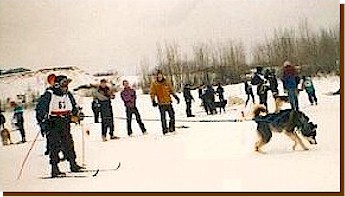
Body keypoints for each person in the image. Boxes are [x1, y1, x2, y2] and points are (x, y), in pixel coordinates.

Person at [35, 75, 84, 177]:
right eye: (63, 84)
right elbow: (40, 108)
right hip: (53, 122)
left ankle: (73, 164)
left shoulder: (68, 94)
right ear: (57, 85)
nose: (66, 86)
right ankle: (55, 168)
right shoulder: (50, 94)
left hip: (65, 121)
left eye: (67, 84)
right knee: (54, 146)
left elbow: (73, 106)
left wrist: (77, 114)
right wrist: (42, 121)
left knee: (68, 143)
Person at [150, 70, 180, 135]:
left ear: (162, 75)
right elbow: (152, 93)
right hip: (161, 103)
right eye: (158, 75)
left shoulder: (166, 82)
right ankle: (165, 130)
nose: (159, 76)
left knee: (172, 116)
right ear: (157, 76)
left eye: (160, 75)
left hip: (168, 102)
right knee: (163, 118)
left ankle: (172, 128)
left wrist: (176, 97)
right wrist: (153, 101)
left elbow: (171, 90)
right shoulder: (155, 84)